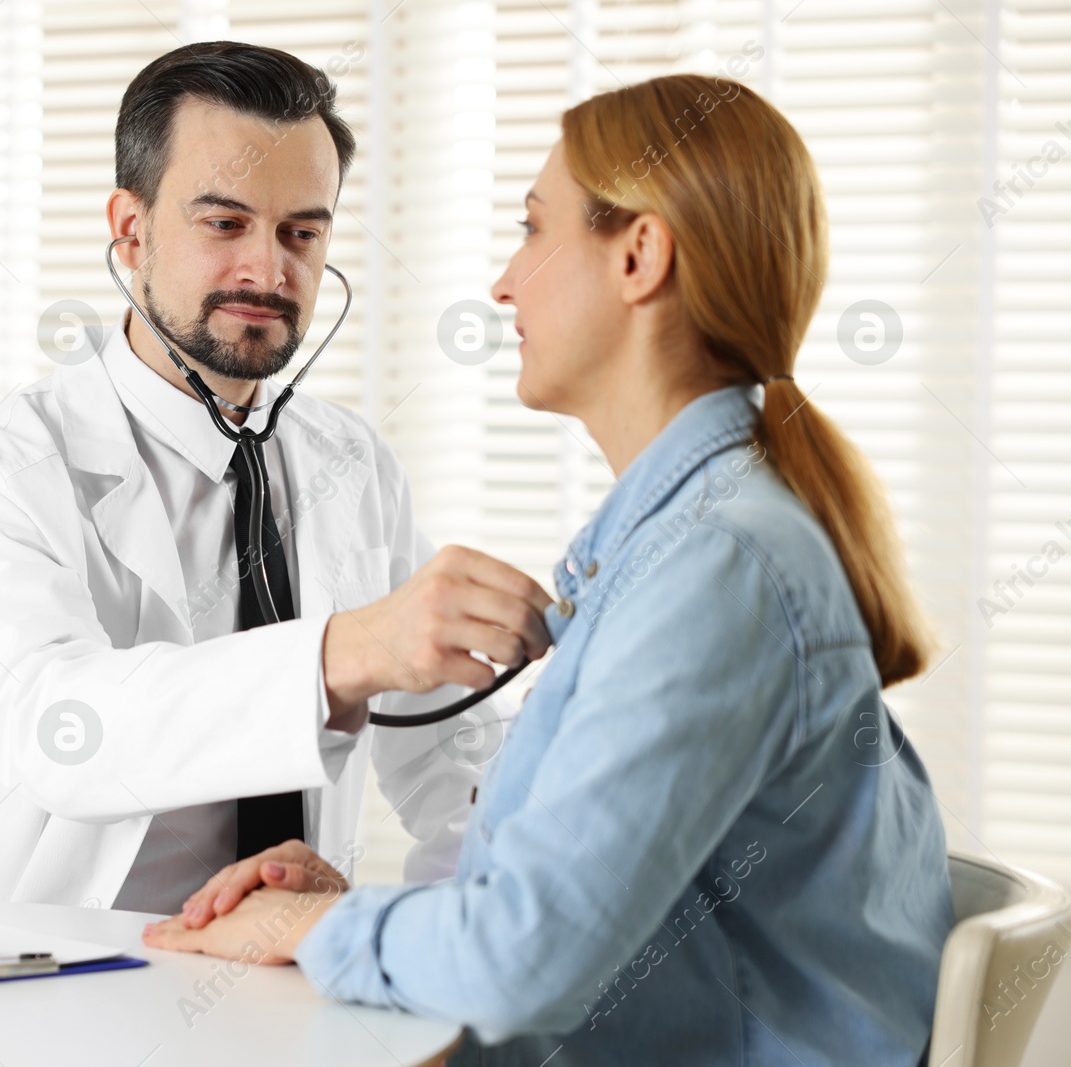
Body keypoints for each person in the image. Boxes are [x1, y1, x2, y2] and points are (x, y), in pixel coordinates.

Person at [143, 72, 955, 1066]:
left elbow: (528, 957)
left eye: (533, 230)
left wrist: (311, 933)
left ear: (638, 255)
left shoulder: (715, 564)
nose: (503, 281)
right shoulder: (691, 537)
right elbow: (599, 911)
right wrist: (361, 919)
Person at [0, 42, 551, 915]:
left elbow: (447, 755)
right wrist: (343, 653)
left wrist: (463, 906)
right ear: (131, 230)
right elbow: (58, 727)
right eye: (224, 223)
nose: (268, 272)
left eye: (301, 232)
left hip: (276, 967)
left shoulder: (352, 463)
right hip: (47, 984)